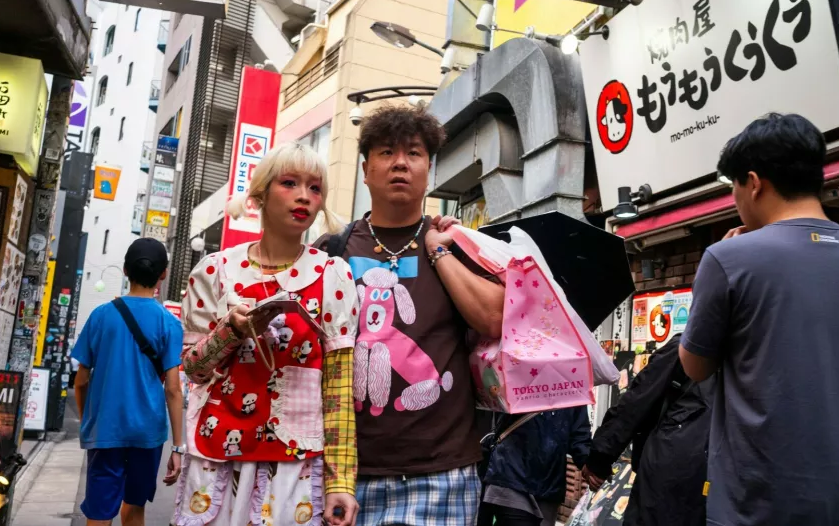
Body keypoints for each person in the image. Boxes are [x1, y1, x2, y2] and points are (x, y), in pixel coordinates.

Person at [678, 113, 839, 525]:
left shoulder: (728, 259)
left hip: (755, 501)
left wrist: (712, 277)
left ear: (753, 183)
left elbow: (695, 366)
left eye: (733, 187)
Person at [316, 105, 505, 526]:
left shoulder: (456, 245)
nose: (400, 162)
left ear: (428, 170)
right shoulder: (332, 251)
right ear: (365, 171)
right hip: (344, 475)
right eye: (387, 152)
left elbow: (494, 318)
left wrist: (438, 250)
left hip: (442, 476)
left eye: (414, 153)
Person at [177, 143, 360, 526]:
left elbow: (338, 390)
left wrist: (341, 481)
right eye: (290, 183)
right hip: (216, 454)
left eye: (315, 188)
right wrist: (230, 330)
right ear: (260, 193)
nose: (304, 196)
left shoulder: (333, 276)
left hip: (294, 464)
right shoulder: (215, 271)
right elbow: (193, 369)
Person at [71, 238, 185, 526]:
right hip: (147, 432)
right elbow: (173, 389)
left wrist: (88, 422)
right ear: (163, 273)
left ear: (125, 270)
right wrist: (178, 447)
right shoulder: (169, 323)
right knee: (134, 507)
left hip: (105, 429)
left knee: (99, 513)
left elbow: (81, 381)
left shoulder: (101, 316)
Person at [583, 334, 712, 525]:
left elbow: (637, 401)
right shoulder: (749, 357)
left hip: (670, 474)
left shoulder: (689, 346)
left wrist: (599, 459)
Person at [479, 407, 592, 526]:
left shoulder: (573, 396)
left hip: (549, 485)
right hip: (510, 475)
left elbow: (579, 437)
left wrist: (592, 467)